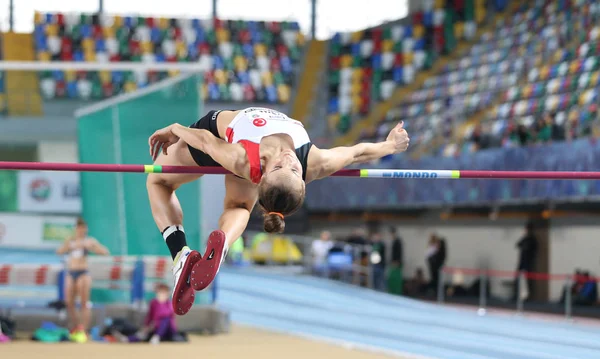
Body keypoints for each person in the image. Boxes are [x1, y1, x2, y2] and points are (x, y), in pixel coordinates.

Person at [147, 107, 410, 315]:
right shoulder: (316, 162)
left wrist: (176, 129)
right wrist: (390, 146)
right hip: (236, 151)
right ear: (306, 180)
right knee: (238, 206)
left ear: (262, 176)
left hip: (226, 140)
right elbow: (357, 153)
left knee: (157, 181)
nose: (288, 161)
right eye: (294, 170)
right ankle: (224, 242)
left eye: (281, 168)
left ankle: (181, 254)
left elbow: (205, 139)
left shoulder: (244, 159)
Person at [56, 217, 109, 337]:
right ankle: (76, 326)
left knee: (84, 302)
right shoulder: (70, 240)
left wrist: (91, 247)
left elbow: (105, 252)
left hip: (83, 273)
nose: (80, 230)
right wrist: (69, 247)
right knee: (69, 302)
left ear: (85, 229)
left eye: (82, 228)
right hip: (71, 272)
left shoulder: (89, 241)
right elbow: (59, 251)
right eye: (78, 228)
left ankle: (84, 330)